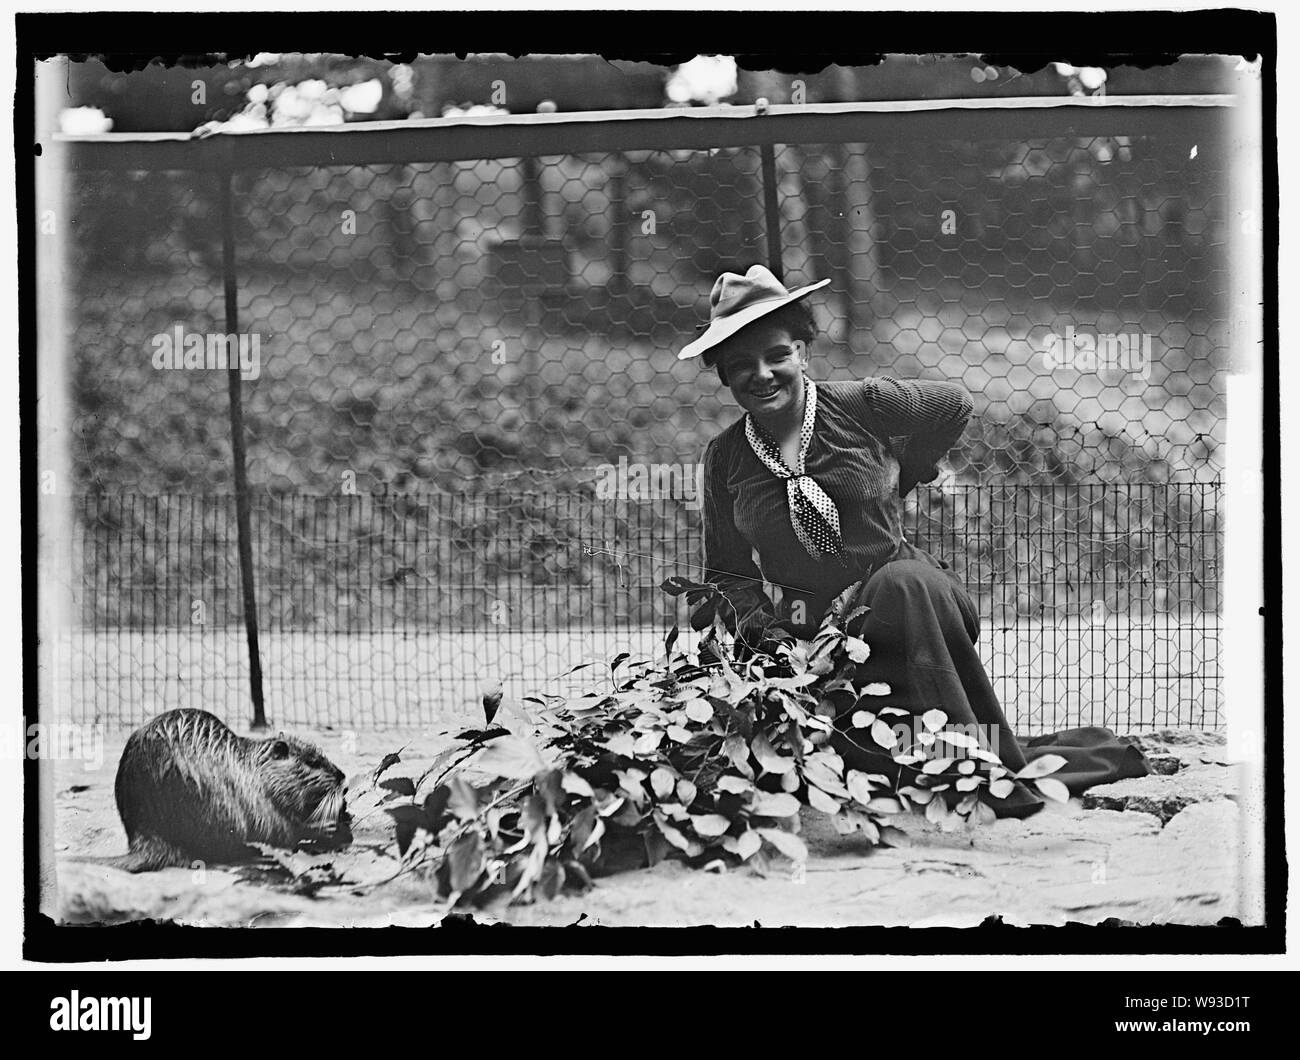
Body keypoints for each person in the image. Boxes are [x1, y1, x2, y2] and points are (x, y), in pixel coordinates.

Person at [679, 264, 1149, 818]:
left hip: (913, 601)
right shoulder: (725, 457)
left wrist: (905, 472)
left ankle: (972, 770)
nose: (762, 374)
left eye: (777, 355)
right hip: (816, 638)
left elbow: (952, 405)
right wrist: (775, 640)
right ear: (724, 377)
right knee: (854, 768)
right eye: (741, 366)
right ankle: (907, 761)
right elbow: (726, 577)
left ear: (803, 352)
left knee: (899, 584)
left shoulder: (859, 404)